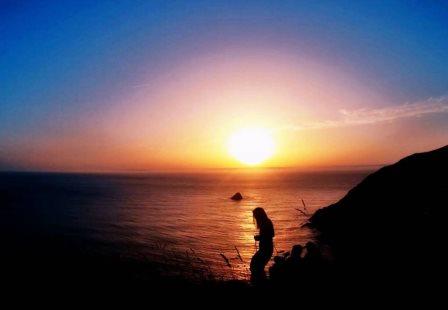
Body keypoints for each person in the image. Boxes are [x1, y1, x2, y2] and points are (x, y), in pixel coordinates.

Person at [250, 207, 275, 281]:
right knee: (257, 266)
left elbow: (270, 235)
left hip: (266, 249)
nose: (254, 217)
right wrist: (260, 237)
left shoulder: (266, 223)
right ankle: (261, 281)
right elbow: (270, 234)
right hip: (265, 249)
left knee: (255, 266)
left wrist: (259, 237)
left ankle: (259, 282)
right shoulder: (266, 222)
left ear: (259, 215)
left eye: (255, 215)